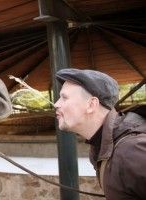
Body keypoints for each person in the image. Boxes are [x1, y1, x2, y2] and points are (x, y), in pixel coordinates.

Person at [54, 68, 146, 200]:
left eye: (64, 97)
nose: (56, 104)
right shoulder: (102, 145)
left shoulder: (132, 151)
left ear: (91, 105)